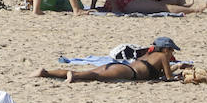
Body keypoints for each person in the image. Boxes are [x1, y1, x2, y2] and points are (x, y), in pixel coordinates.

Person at [35, 37, 184, 83]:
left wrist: (177, 66)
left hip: (120, 67)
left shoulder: (150, 55)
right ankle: (74, 76)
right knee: (94, 76)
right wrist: (179, 76)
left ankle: (46, 72)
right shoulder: (163, 57)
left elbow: (161, 72)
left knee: (89, 71)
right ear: (165, 49)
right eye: (171, 50)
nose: (171, 53)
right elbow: (168, 77)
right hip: (128, 73)